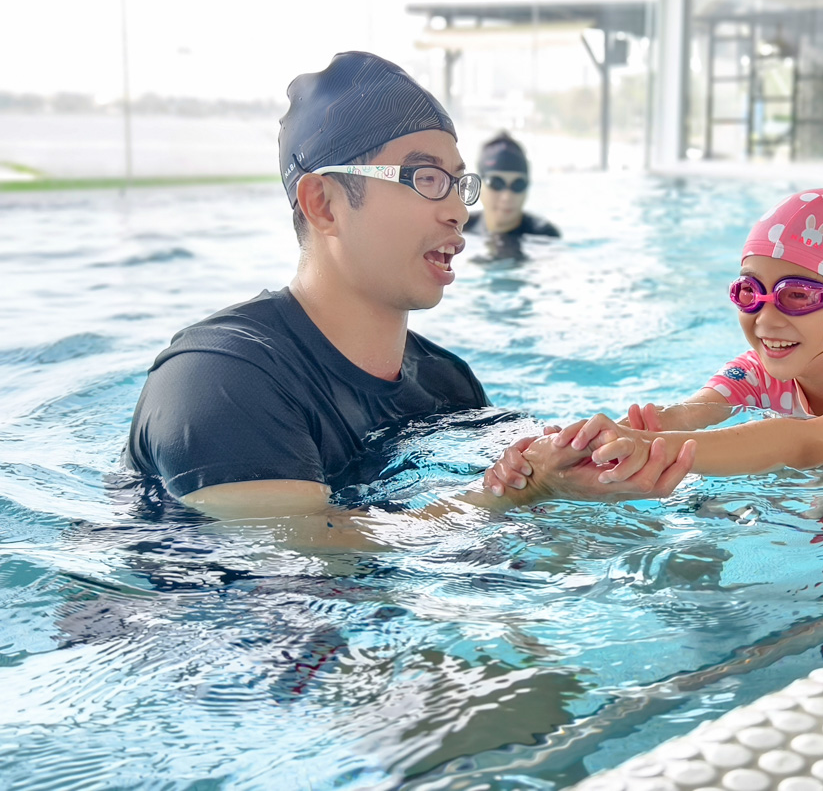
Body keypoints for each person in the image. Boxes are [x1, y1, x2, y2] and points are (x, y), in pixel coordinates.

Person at [123, 51, 692, 533]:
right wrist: (519, 493)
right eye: (425, 179)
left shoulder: (448, 383)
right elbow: (300, 559)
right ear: (324, 203)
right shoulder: (221, 378)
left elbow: (491, 541)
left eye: (458, 182)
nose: (458, 210)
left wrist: (598, 474)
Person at [488, 189, 823, 489]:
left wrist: (650, 446)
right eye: (751, 291)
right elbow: (685, 415)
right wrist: (572, 451)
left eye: (797, 297)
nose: (765, 320)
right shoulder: (765, 364)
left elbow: (806, 443)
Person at [464, 132, 559, 259]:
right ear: (478, 185)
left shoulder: (544, 236)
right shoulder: (461, 228)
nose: (507, 196)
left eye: (518, 185)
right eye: (496, 183)